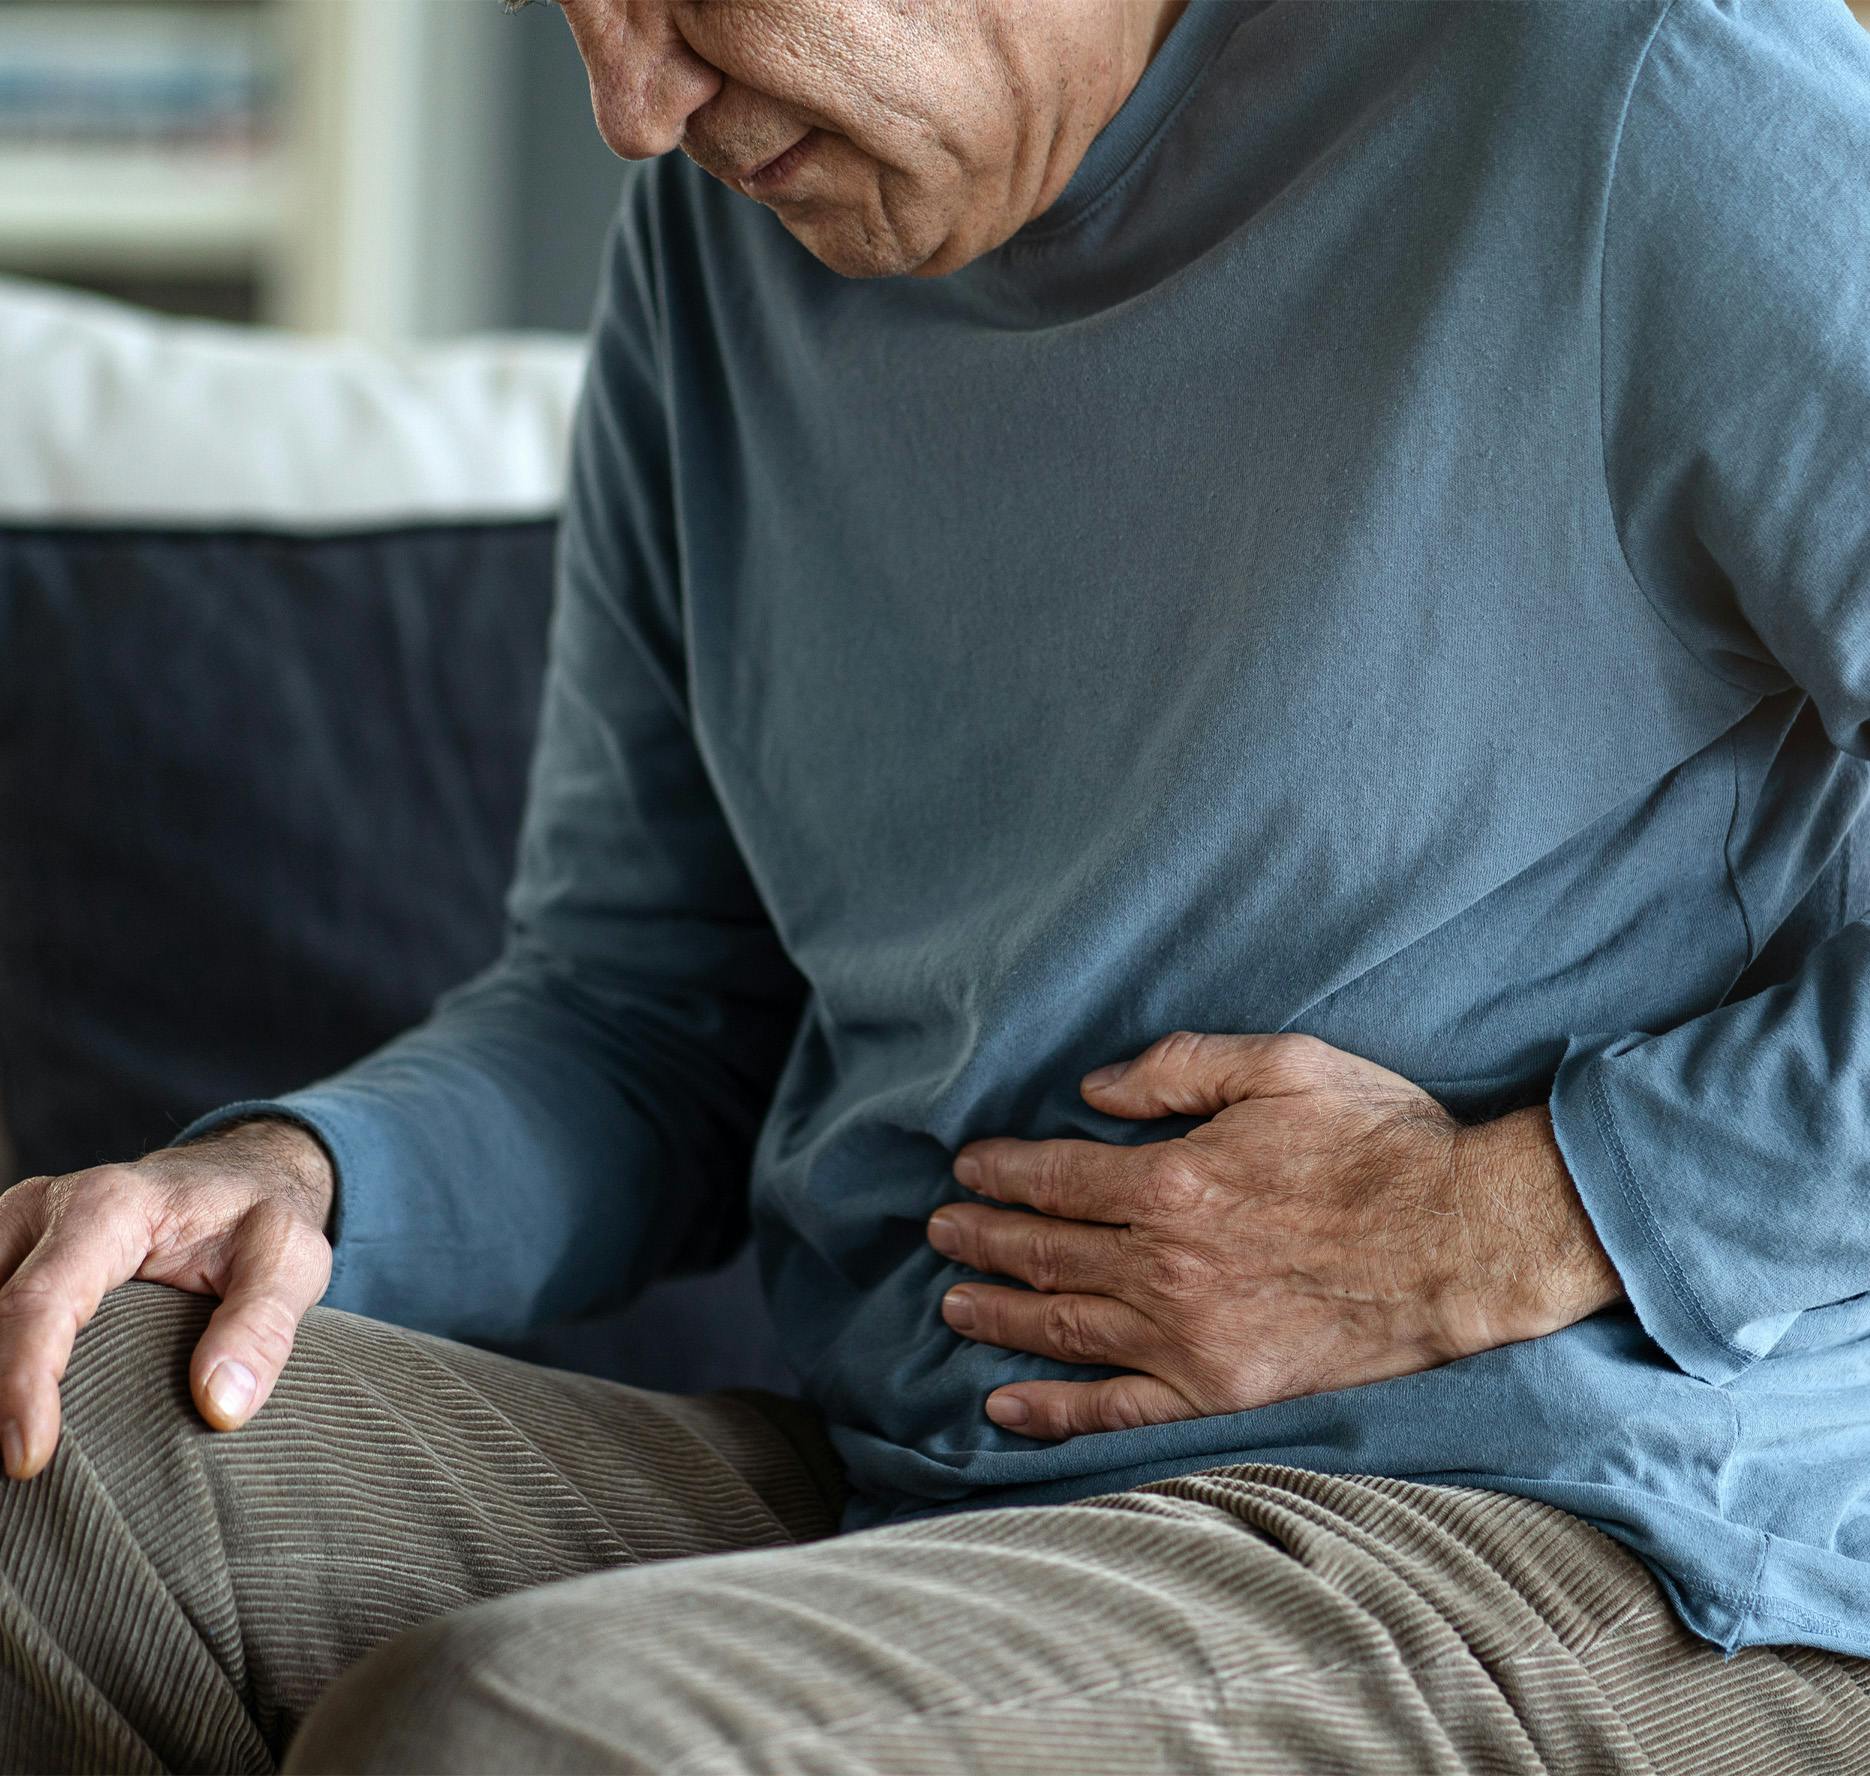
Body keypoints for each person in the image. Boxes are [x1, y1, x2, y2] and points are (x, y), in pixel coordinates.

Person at [5, 0, 1870, 1768]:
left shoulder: (1633, 92)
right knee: (35, 1422)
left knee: (533, 1742)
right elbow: (645, 1011)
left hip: (1568, 1536)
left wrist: (1529, 1208)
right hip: (916, 1497)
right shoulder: (723, 250)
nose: (630, 113)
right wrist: (298, 1180)